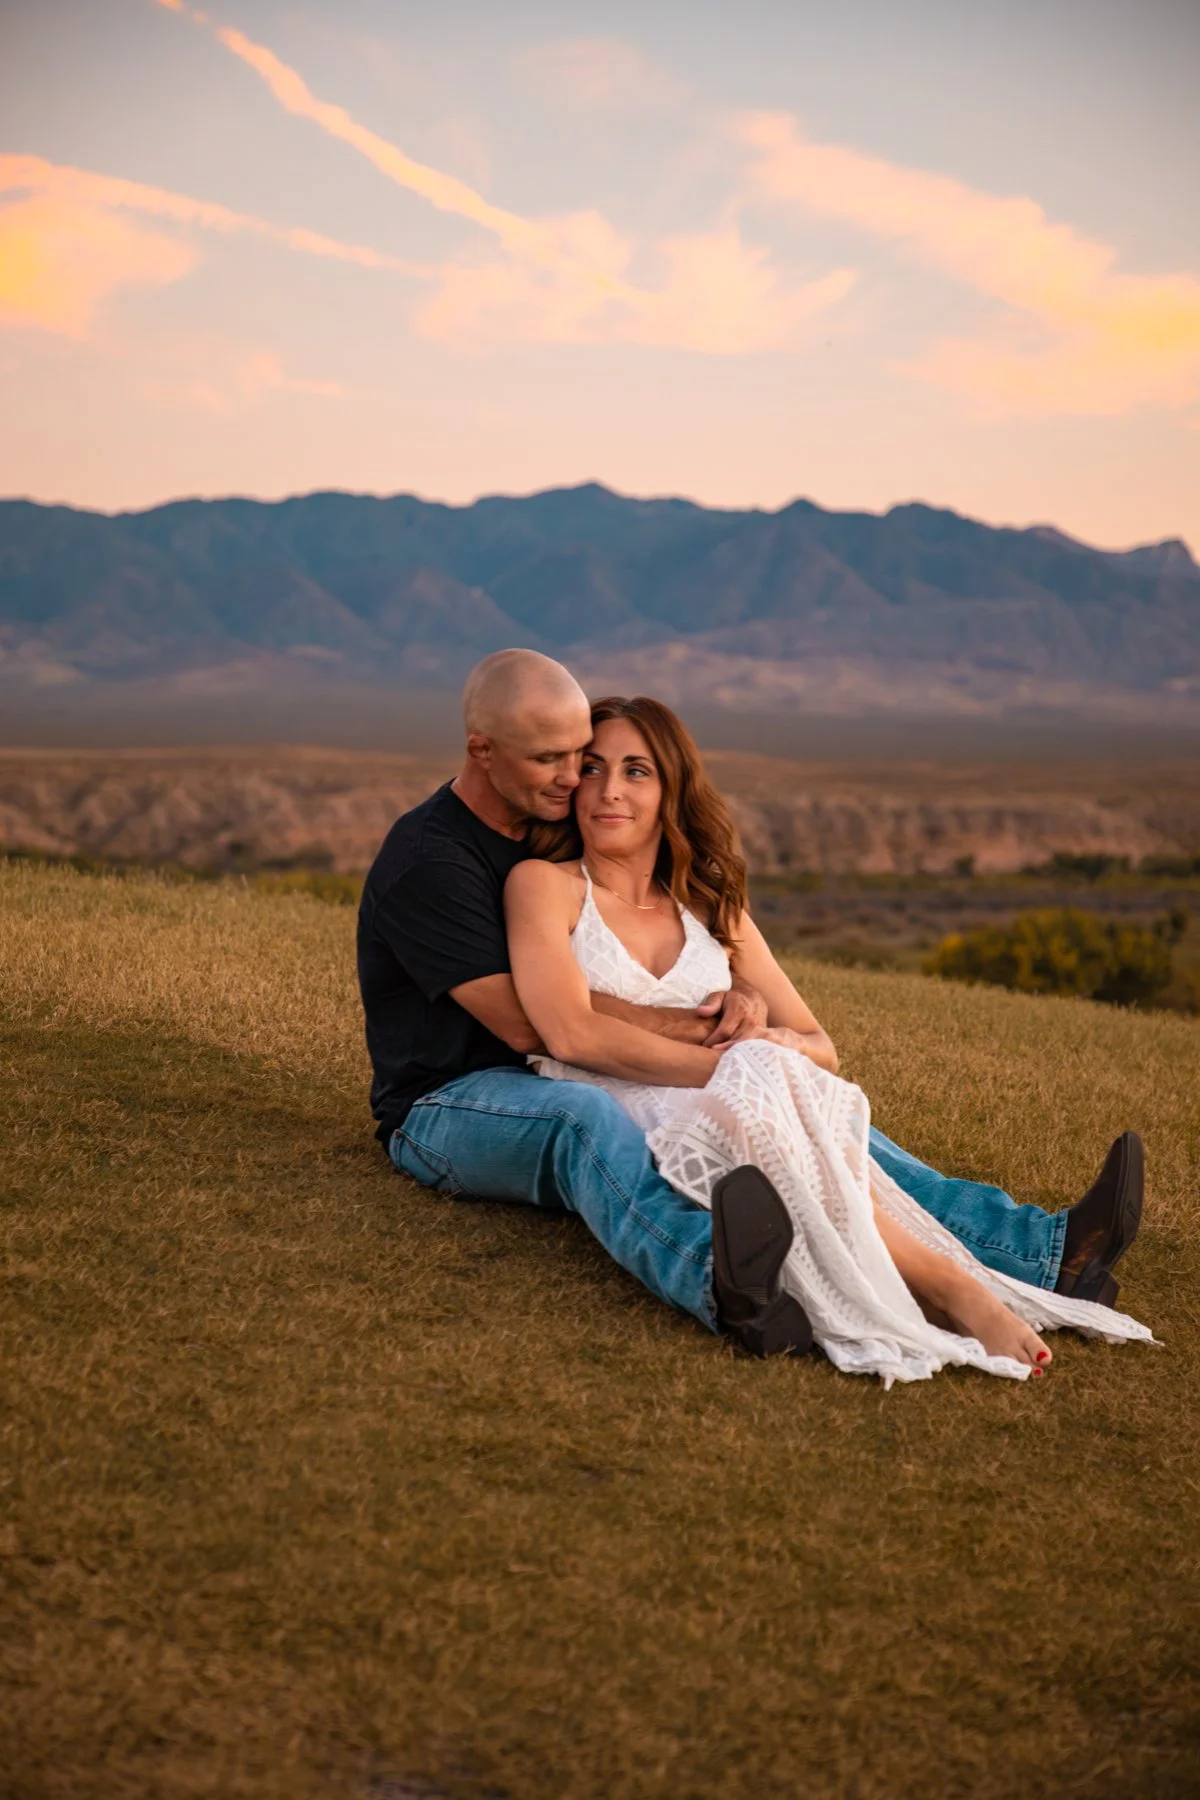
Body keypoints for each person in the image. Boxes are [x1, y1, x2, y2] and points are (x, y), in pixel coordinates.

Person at [357, 650, 1145, 1363]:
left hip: (582, 1069)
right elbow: (540, 1027)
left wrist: (758, 1063)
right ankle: (727, 1280)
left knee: (814, 1113)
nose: (575, 781)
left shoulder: (548, 825)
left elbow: (797, 1040)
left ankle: (1046, 1250)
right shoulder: (435, 861)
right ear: (481, 751)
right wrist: (719, 1047)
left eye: (586, 759)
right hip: (451, 1099)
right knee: (587, 1121)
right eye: (557, 762)